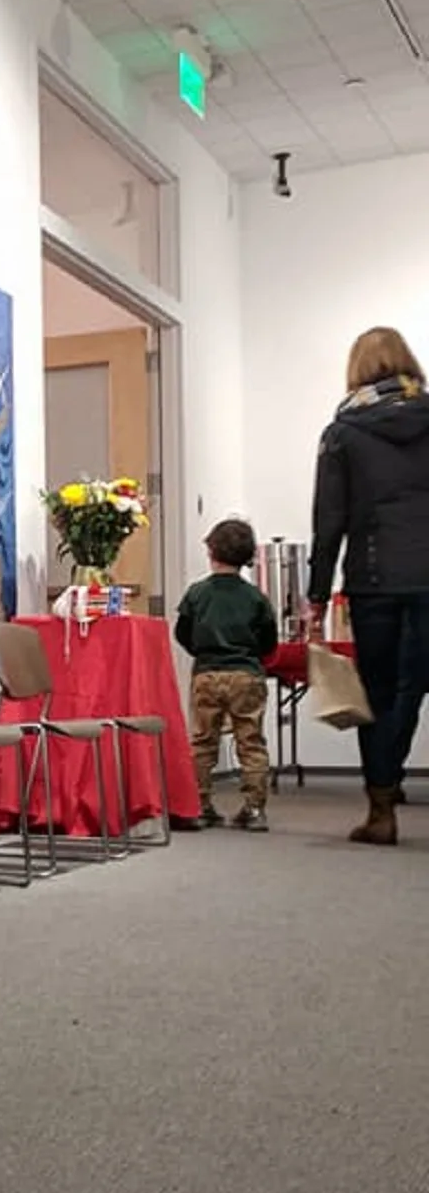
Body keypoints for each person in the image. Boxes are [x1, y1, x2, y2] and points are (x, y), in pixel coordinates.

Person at [306, 326, 429, 846]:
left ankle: (381, 808)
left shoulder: (342, 432)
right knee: (415, 684)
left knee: (375, 692)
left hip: (373, 578)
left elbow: (328, 520)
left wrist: (316, 594)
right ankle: (393, 774)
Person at [174, 517, 278, 832]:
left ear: (211, 551)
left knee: (204, 741)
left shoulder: (197, 593)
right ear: (248, 556)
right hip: (246, 673)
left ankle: (200, 805)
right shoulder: (256, 597)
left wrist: (202, 651)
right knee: (251, 740)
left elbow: (183, 632)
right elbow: (269, 640)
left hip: (207, 672)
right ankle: (254, 808)